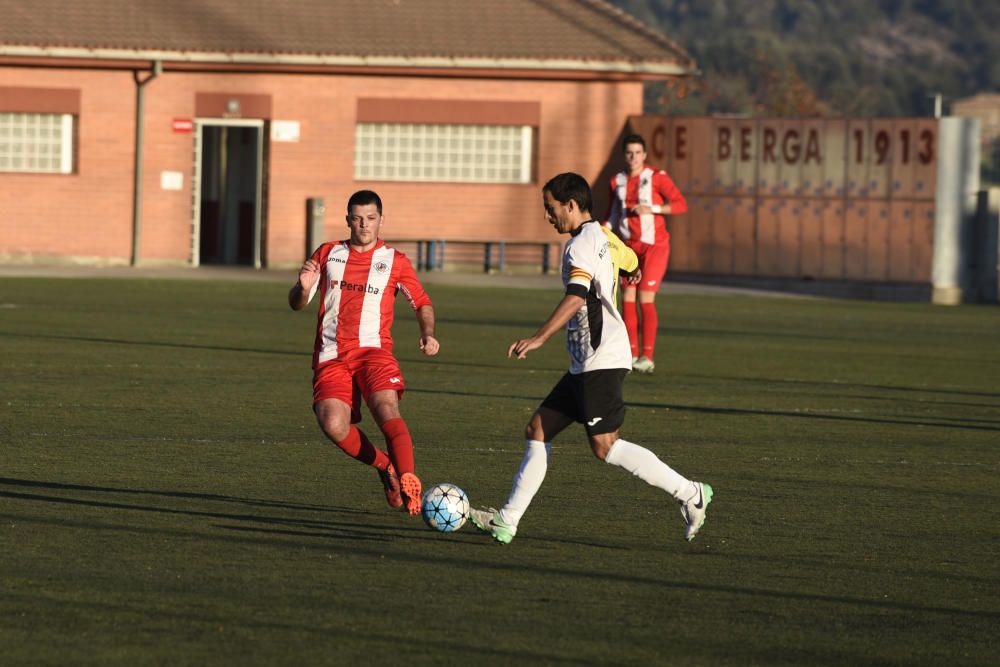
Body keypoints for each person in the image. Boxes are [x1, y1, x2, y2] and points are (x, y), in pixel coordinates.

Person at [469, 173, 712, 544]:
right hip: (587, 360)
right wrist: (631, 269)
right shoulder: (603, 235)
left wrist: (538, 338)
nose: (548, 217)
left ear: (570, 205)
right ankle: (507, 521)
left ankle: (692, 493)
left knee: (605, 446)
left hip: (602, 358)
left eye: (551, 210)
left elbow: (576, 296)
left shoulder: (578, 246)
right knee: (538, 429)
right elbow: (629, 259)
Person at [288, 189, 440, 515]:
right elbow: (297, 304)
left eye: (371, 218)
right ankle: (387, 468)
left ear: (381, 220)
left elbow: (422, 303)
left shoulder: (395, 261)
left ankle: (409, 475)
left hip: (374, 351)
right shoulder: (328, 253)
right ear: (348, 221)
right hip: (332, 355)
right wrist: (301, 289)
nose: (364, 225)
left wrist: (427, 333)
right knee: (332, 423)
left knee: (386, 408)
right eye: (357, 219)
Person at [605, 133, 688, 374]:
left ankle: (647, 356)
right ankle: (631, 354)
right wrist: (604, 228)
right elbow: (613, 214)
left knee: (645, 298)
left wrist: (651, 208)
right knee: (627, 298)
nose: (633, 157)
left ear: (645, 155)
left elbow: (681, 204)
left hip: (654, 246)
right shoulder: (616, 181)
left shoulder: (657, 177)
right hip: (629, 247)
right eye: (629, 153)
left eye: (638, 153)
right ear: (624, 155)